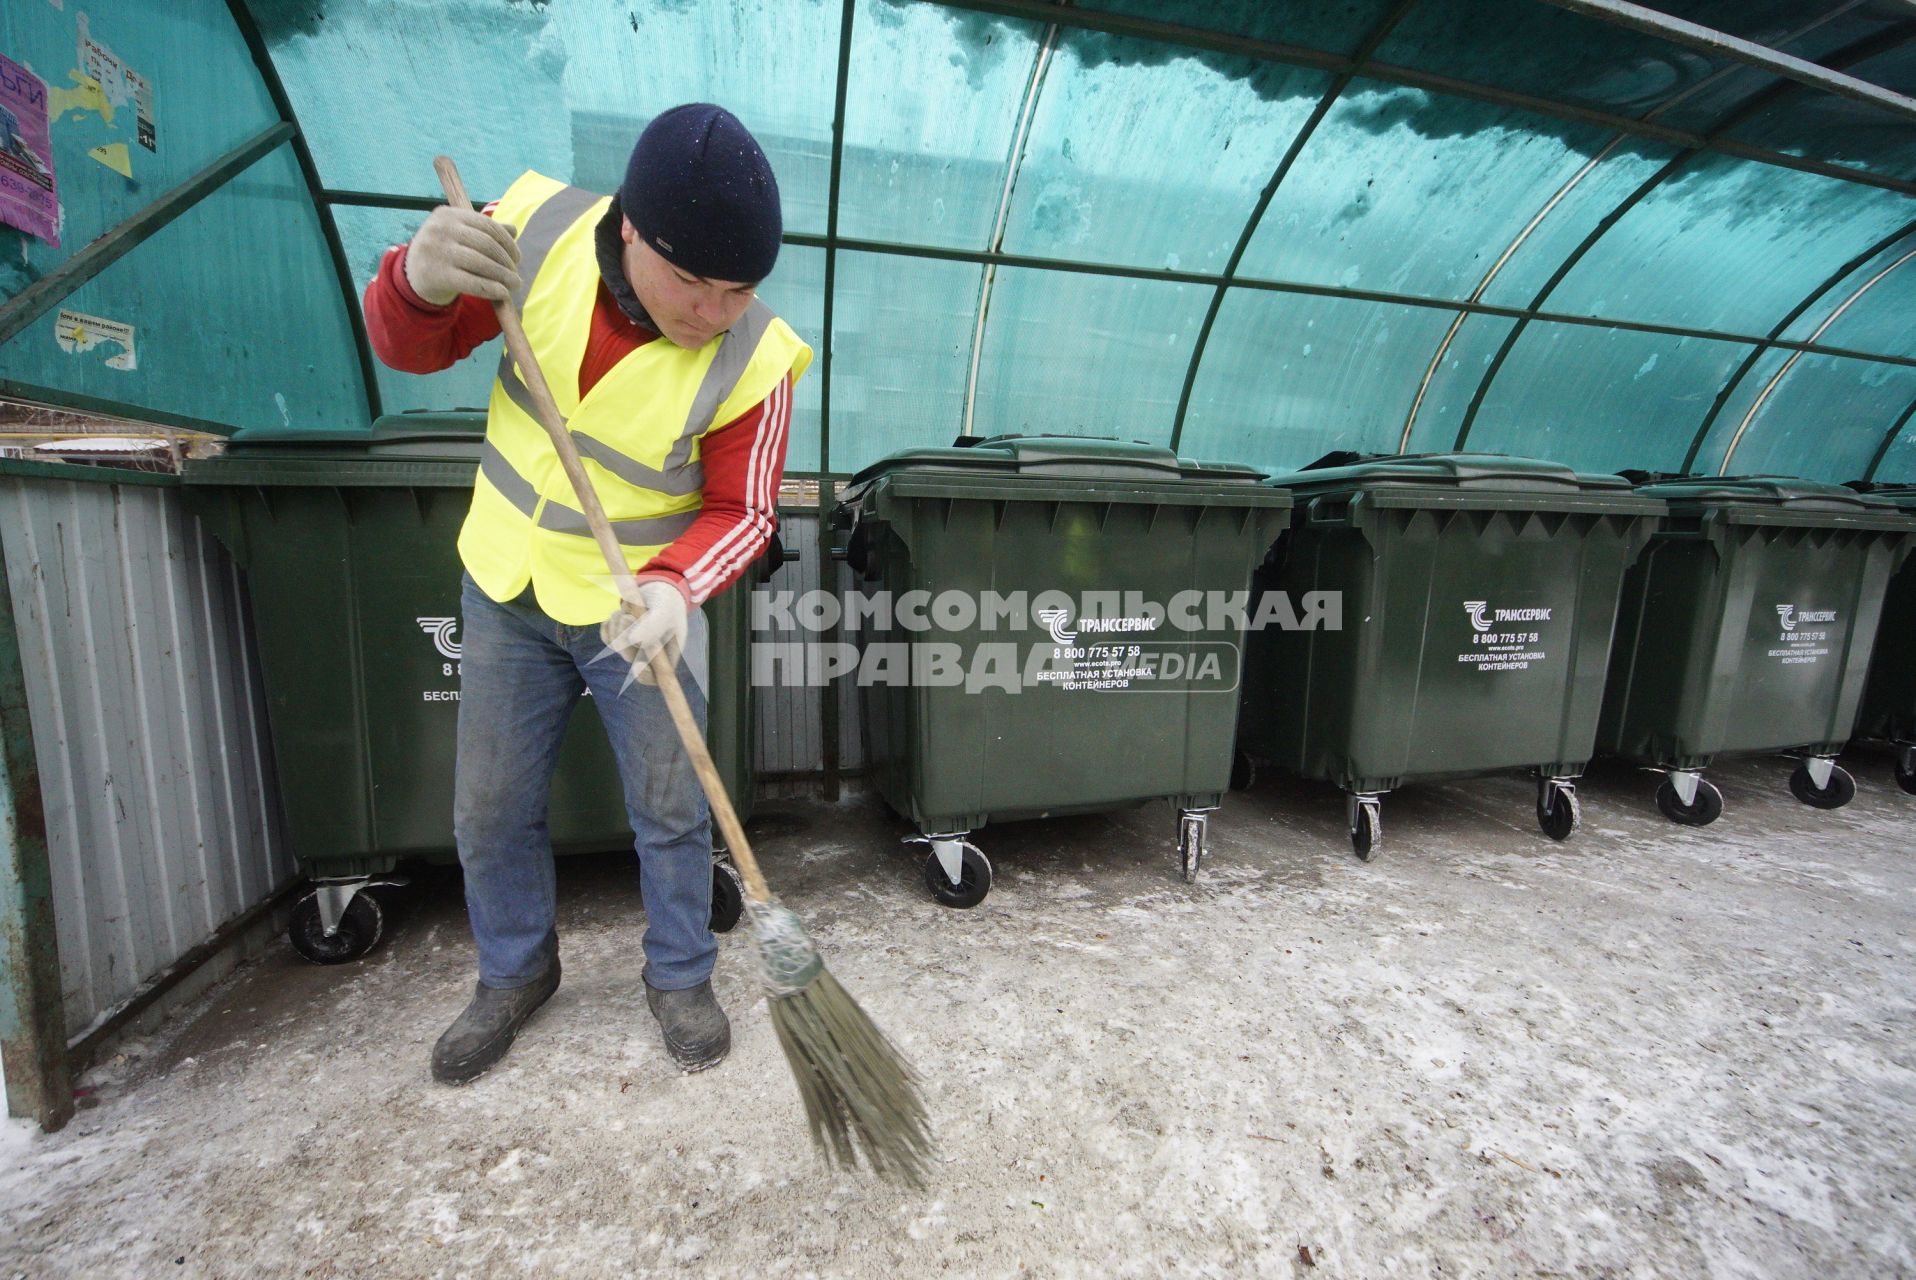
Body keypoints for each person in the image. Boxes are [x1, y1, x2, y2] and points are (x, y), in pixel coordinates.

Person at [362, 104, 811, 1084]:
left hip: (634, 614)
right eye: (690, 277)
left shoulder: (757, 356)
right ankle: (513, 973)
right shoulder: (535, 230)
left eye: (739, 287)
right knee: (487, 806)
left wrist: (672, 587)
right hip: (506, 587)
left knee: (670, 801)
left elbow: (743, 509)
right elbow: (412, 343)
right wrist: (417, 278)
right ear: (627, 230)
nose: (712, 309)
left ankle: (681, 975)